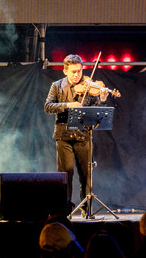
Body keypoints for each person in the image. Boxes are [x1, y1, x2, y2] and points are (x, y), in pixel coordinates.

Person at [44, 54, 110, 215]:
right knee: (65, 174)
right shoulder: (57, 86)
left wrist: (102, 99)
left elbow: (96, 110)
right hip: (63, 136)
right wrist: (68, 105)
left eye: (79, 71)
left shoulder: (89, 86)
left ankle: (87, 209)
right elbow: (48, 106)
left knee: (86, 174)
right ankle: (65, 210)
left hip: (83, 136)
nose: (76, 75)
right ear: (65, 70)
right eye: (73, 72)